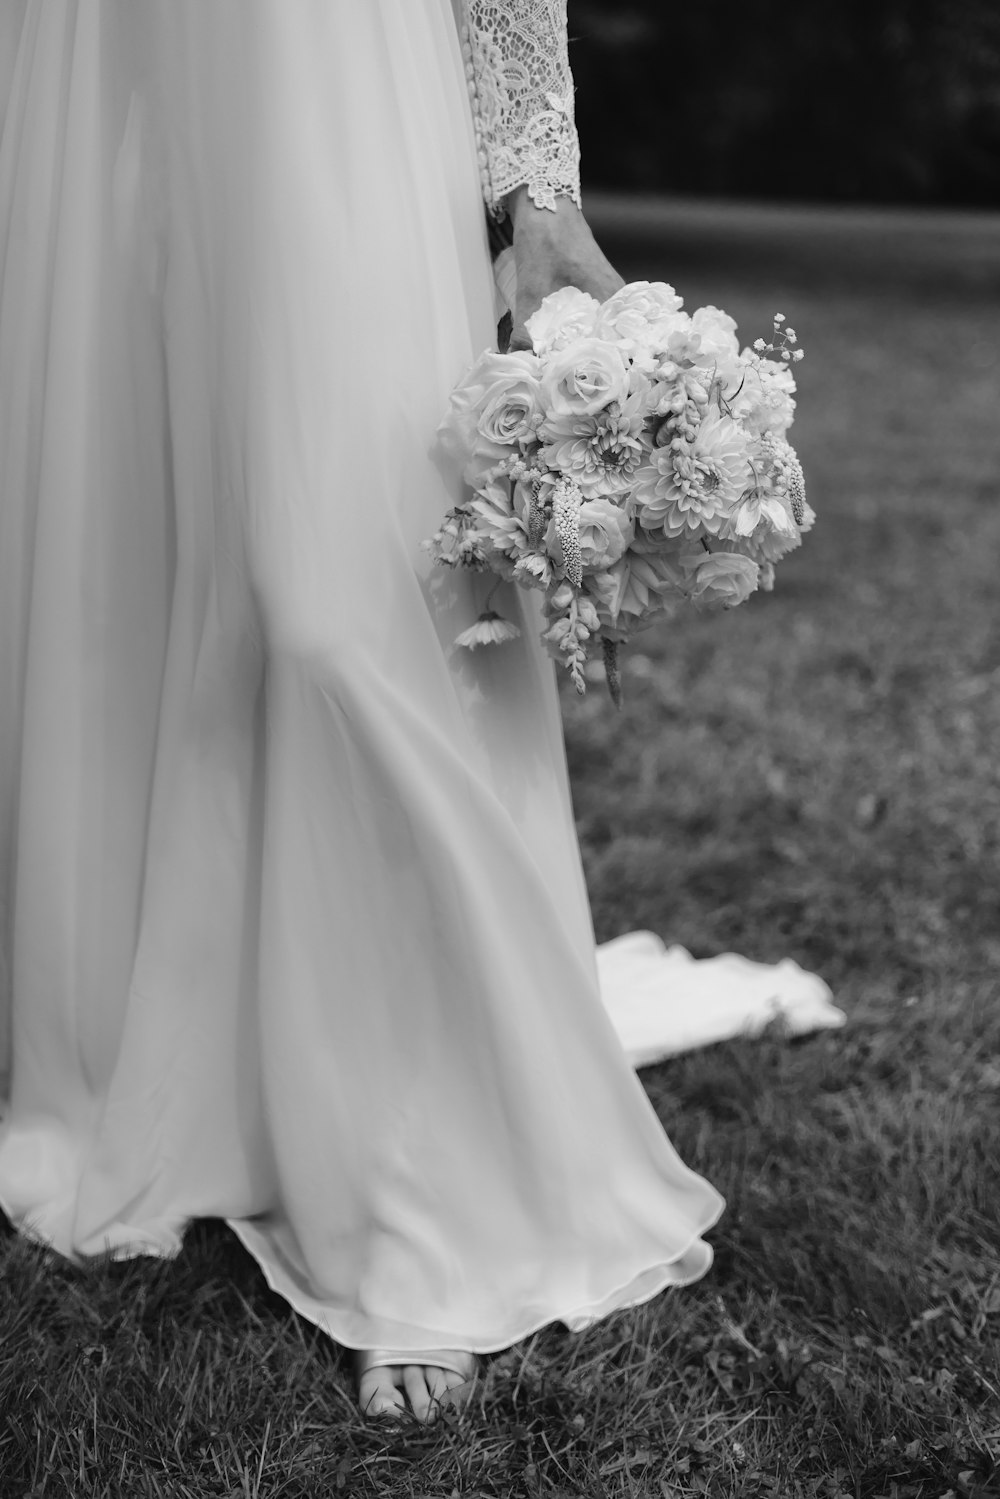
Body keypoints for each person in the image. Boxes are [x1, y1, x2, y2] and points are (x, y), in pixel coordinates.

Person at [0, 0, 733, 1421]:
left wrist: (538, 181)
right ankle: (161, 1077)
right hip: (97, 57)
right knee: (111, 571)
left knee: (349, 604)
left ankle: (428, 1183)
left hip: (331, 65)